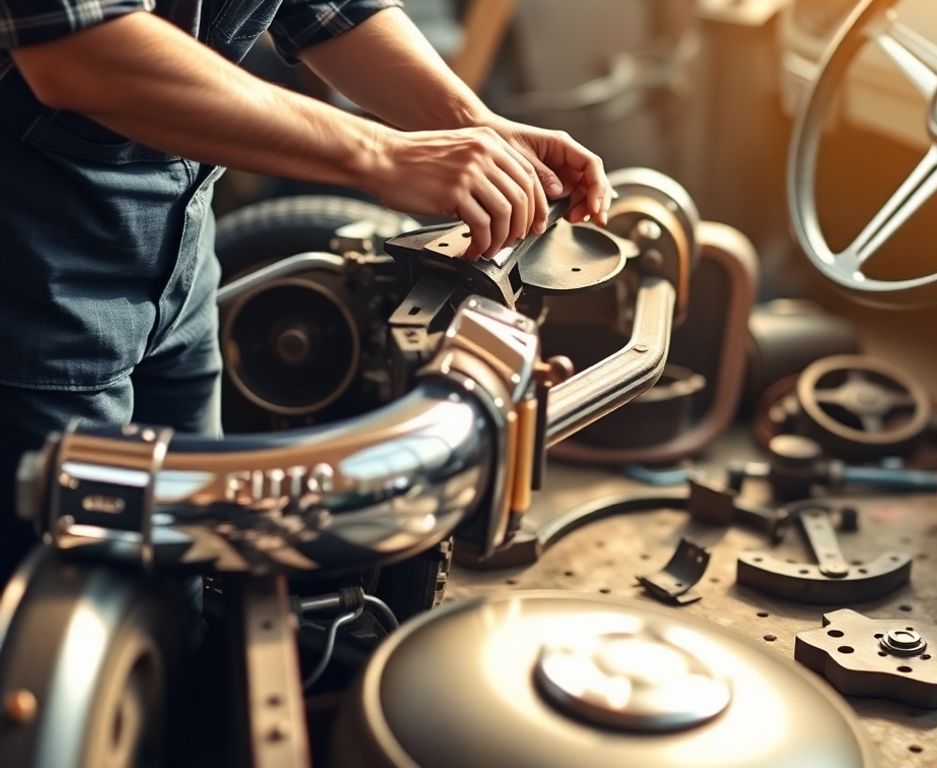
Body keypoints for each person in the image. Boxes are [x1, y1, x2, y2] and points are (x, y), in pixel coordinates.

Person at [0, 2, 614, 581]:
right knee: (58, 604)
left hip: (181, 256)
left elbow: (327, 10)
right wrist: (382, 154)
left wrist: (476, 126)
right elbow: (79, 49)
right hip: (35, 279)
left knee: (184, 569)